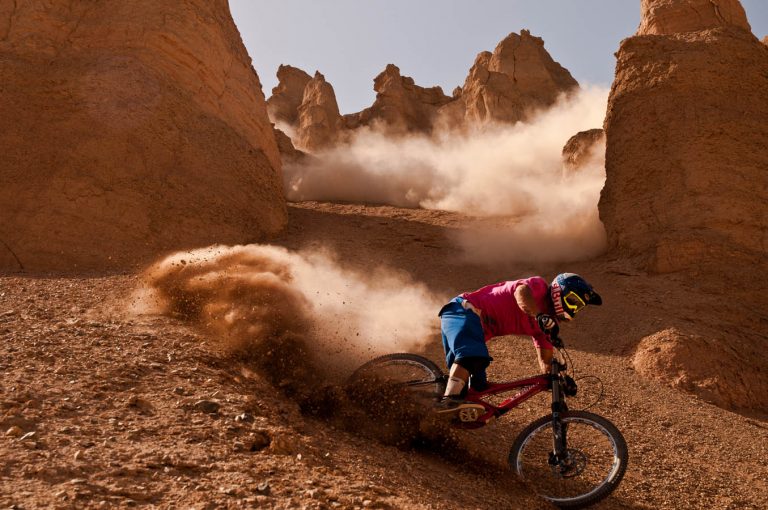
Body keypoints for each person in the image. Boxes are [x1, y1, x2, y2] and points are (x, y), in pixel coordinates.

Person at [434, 273, 602, 413]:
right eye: (573, 301)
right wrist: (539, 315)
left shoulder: (547, 325)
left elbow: (545, 363)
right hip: (463, 310)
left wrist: (561, 379)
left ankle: (434, 415)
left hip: (473, 331)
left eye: (578, 306)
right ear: (560, 291)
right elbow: (520, 293)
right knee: (473, 358)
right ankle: (448, 402)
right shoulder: (538, 288)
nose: (574, 309)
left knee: (477, 390)